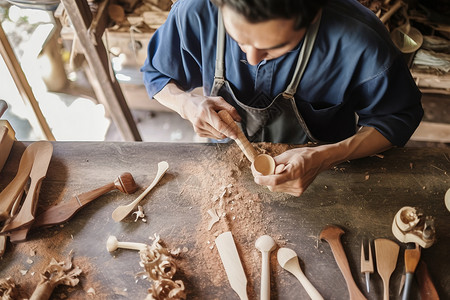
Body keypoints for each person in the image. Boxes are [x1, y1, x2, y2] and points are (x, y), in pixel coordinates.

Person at [141, 0, 423, 196]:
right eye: (238, 38)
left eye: (274, 47)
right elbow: (156, 73)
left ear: (311, 16)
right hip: (225, 162)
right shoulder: (196, 10)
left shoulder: (361, 40)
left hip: (327, 173)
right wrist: (186, 104)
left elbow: (396, 117)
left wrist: (327, 156)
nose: (251, 59)